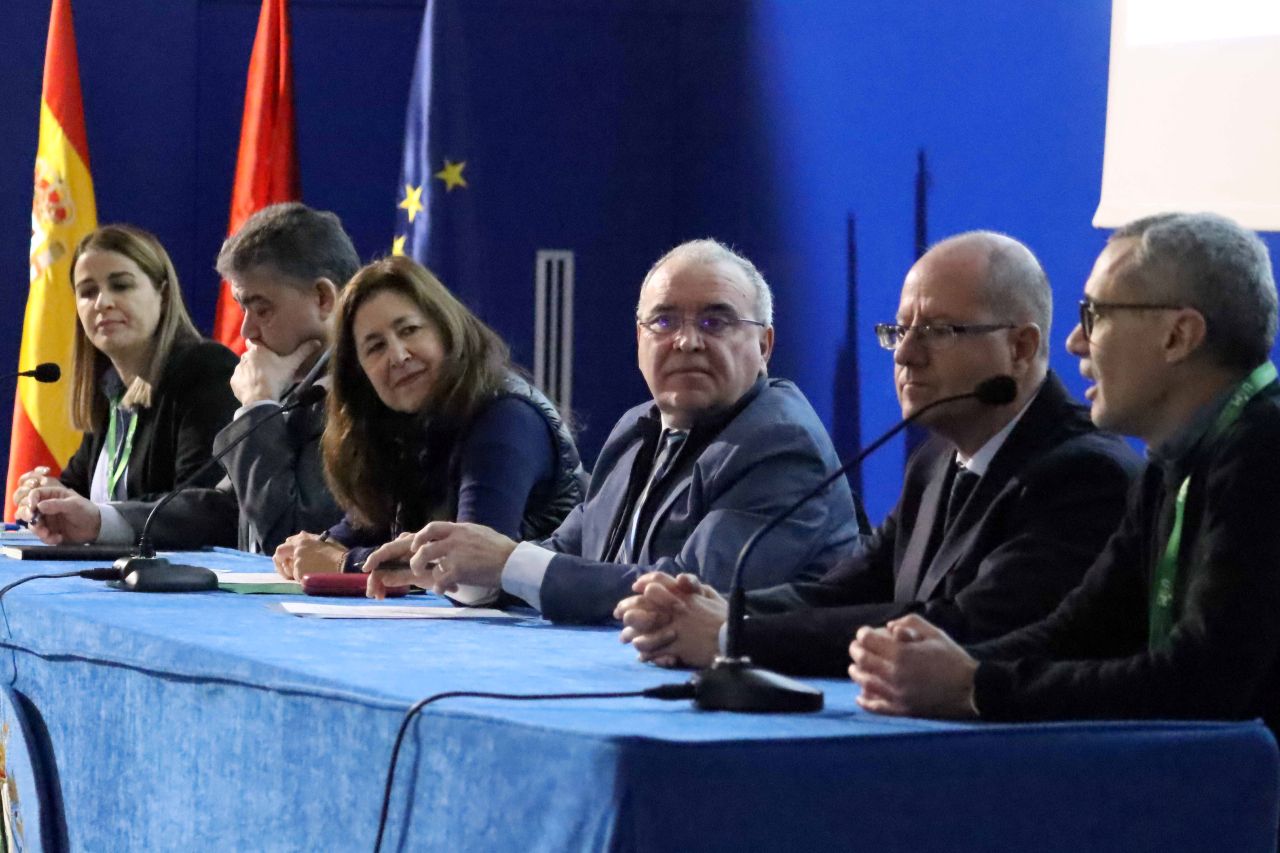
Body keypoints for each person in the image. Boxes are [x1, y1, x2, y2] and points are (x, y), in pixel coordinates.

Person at [613, 231, 1141, 675]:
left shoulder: (1082, 475)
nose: (907, 355)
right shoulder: (935, 463)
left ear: (1021, 348)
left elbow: (961, 627)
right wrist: (715, 609)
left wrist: (736, 637)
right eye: (899, 331)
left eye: (938, 331)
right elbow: (841, 592)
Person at [849, 212, 1280, 739]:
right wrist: (946, 669)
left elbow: (1206, 679)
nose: (1075, 341)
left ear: (1178, 335)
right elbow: (1082, 630)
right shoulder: (1173, 460)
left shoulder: (1265, 451)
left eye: (1096, 314)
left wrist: (977, 686)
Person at [361, 239, 863, 623]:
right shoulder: (637, 429)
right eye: (664, 322)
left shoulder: (780, 443)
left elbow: (687, 594)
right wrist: (454, 564)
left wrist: (508, 560)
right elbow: (568, 554)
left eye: (716, 322)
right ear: (640, 339)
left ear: (765, 345)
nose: (687, 341)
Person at [13, 203, 359, 555]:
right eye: (243, 309)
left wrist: (258, 407)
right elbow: (222, 508)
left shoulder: (363, 391)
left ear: (323, 298)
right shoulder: (292, 389)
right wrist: (97, 520)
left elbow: (290, 536)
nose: (247, 331)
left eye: (262, 308)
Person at [272, 255, 585, 605]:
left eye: (409, 330)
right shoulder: (401, 425)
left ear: (446, 331)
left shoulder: (506, 418)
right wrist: (319, 547)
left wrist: (345, 563)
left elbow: (472, 572)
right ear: (360, 374)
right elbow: (361, 527)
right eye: (376, 347)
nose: (399, 355)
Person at [14, 224, 238, 541]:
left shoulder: (206, 370)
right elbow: (76, 492)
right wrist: (46, 497)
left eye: (121, 285)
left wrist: (100, 519)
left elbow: (205, 506)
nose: (102, 302)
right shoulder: (112, 389)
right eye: (87, 291)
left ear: (162, 293)